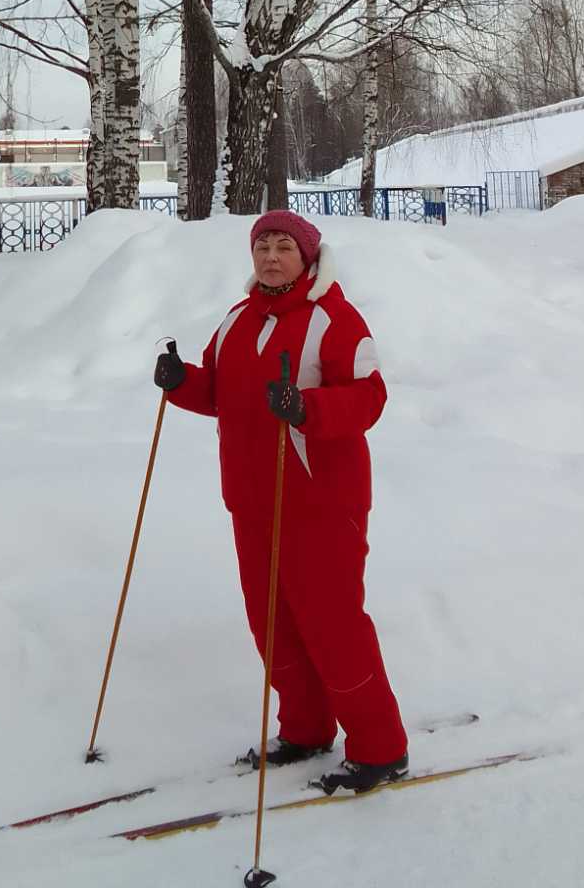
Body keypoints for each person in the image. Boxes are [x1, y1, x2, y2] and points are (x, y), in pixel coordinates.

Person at [153, 209, 407, 794]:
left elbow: (370, 397)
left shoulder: (332, 319)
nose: (270, 257)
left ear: (308, 256)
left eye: (284, 247)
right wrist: (180, 381)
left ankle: (381, 748)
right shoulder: (240, 318)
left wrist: (308, 410)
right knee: (272, 624)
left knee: (332, 624)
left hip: (320, 501)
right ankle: (306, 729)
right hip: (251, 498)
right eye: (262, 246)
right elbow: (220, 390)